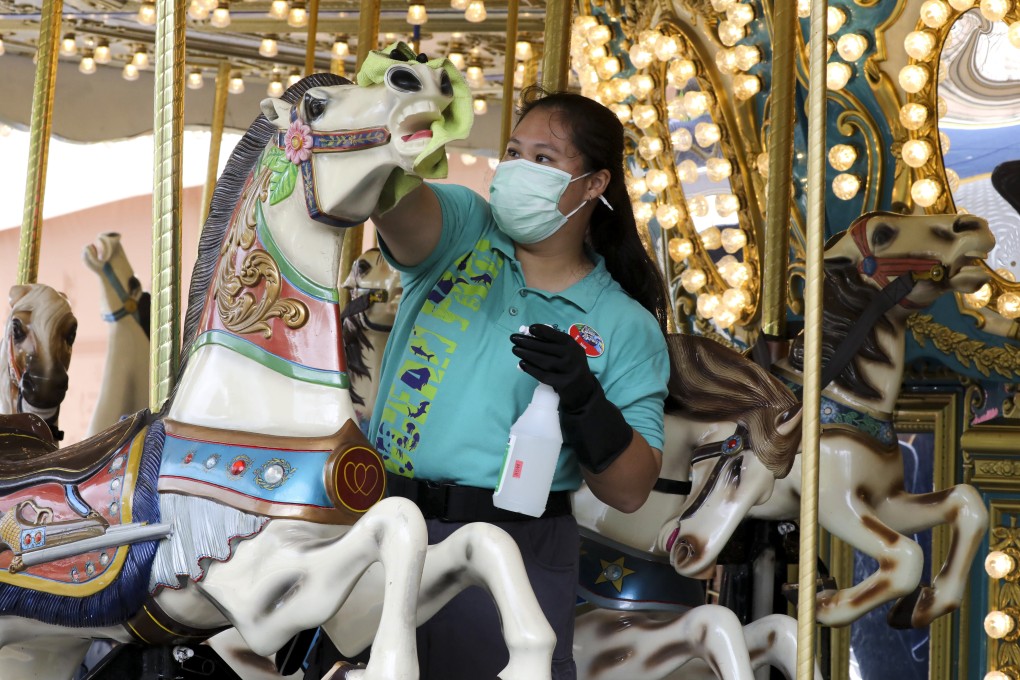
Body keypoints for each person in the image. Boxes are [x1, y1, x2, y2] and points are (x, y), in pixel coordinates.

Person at [366, 86, 672, 680]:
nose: (516, 170)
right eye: (513, 151)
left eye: (544, 159)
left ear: (593, 185)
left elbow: (631, 490)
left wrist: (586, 400)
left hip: (512, 544)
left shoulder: (621, 323)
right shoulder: (462, 230)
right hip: (384, 522)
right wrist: (396, 119)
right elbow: (392, 203)